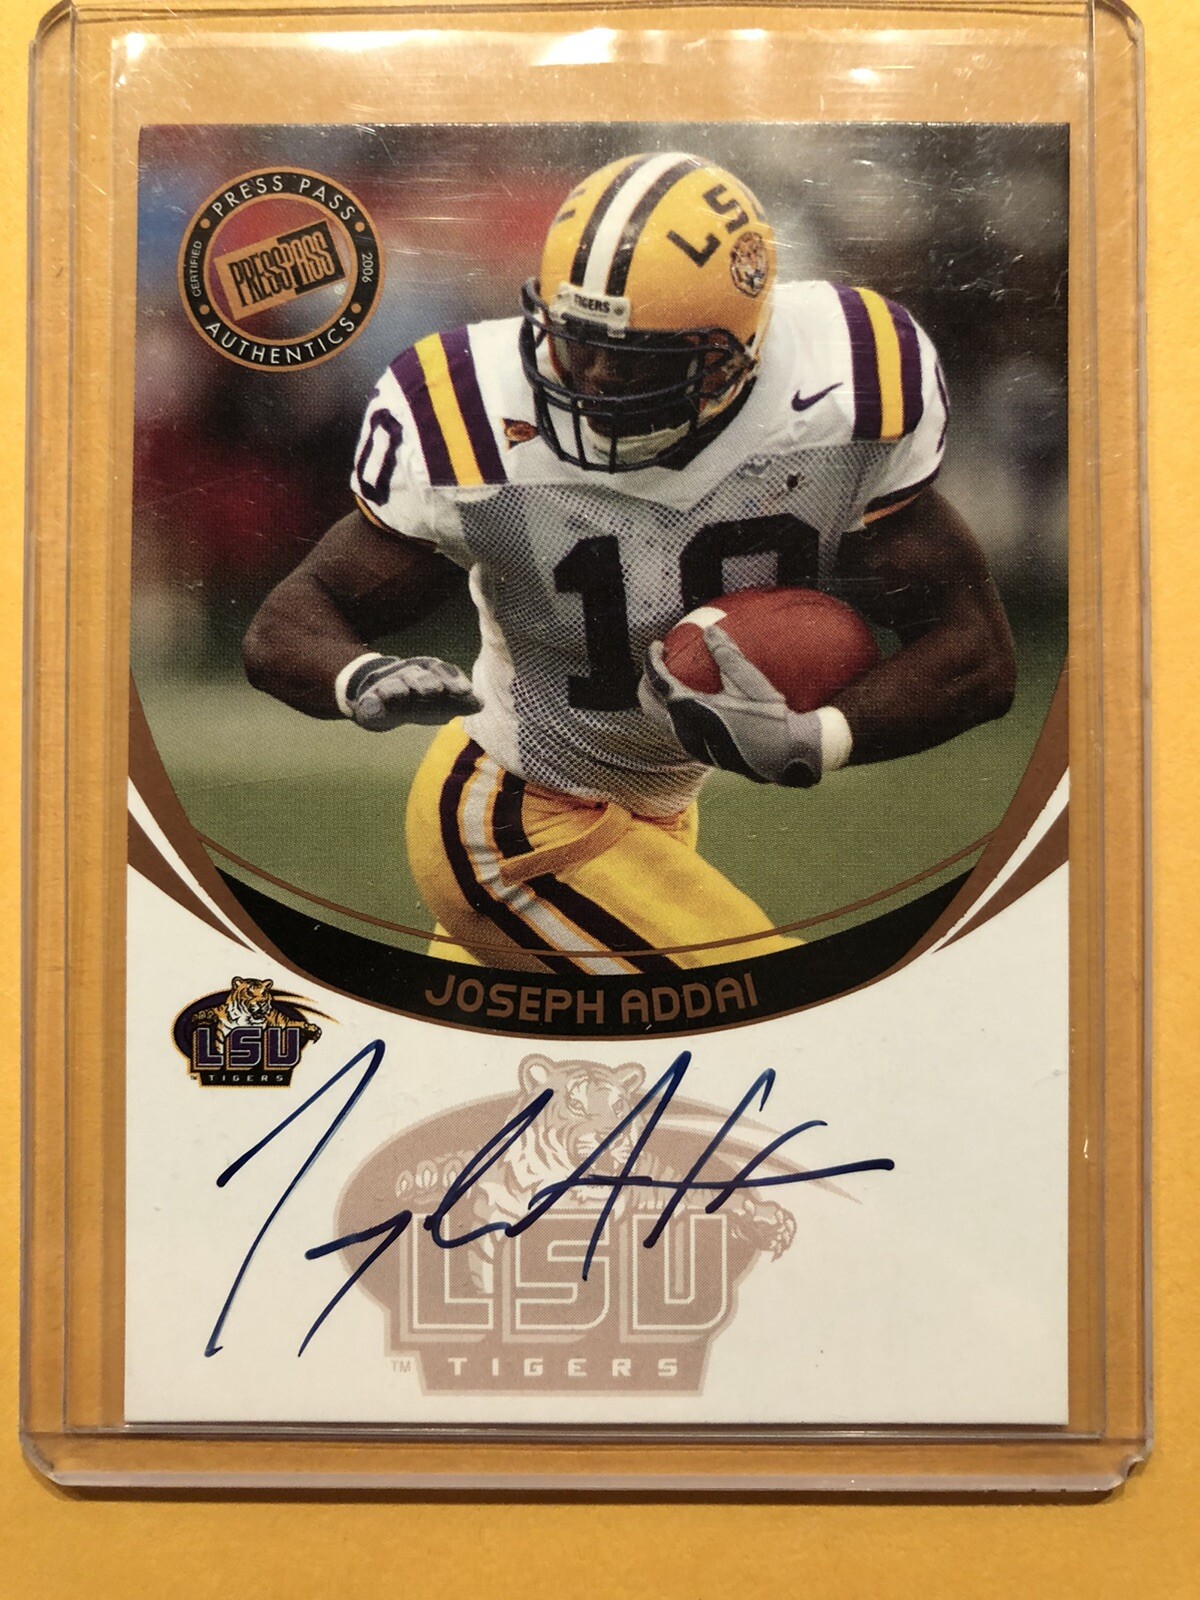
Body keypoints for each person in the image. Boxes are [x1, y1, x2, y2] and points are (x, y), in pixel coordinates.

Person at [243, 152, 1015, 976]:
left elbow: (976, 655)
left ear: (738, 350)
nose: (601, 378)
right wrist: (358, 676)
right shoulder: (471, 412)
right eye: (581, 343)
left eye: (640, 357)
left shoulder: (846, 386)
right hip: (508, 824)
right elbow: (292, 619)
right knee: (776, 1007)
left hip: (652, 819)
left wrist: (815, 739)